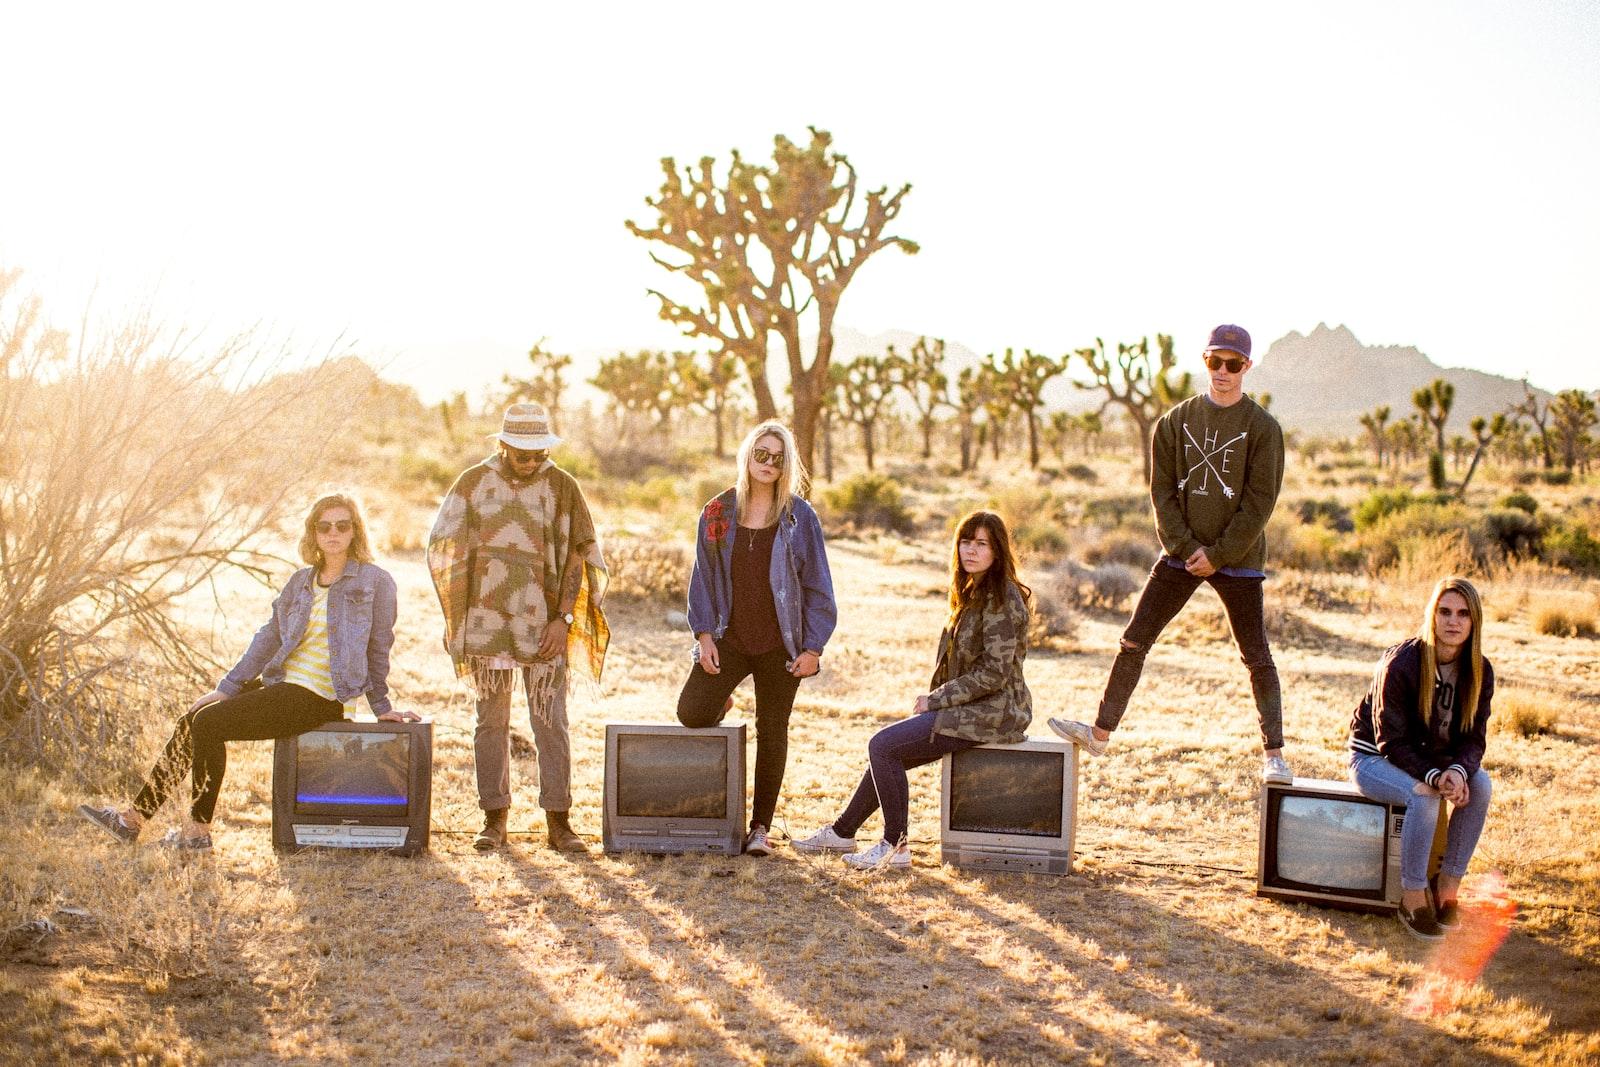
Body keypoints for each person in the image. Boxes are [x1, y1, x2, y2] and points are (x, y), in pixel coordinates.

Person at [79, 493, 414, 852]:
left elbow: (379, 647)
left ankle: (197, 832)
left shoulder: (376, 582)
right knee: (194, 717)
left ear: (355, 531)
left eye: (342, 525)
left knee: (210, 725)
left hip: (321, 697)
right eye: (324, 526)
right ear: (314, 533)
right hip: (284, 684)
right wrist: (228, 687)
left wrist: (381, 708)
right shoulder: (301, 581)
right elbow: (268, 637)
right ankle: (133, 820)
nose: (333, 532)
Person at [1049, 324, 1292, 784]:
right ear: (1204, 361)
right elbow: (1161, 493)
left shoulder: (1263, 428)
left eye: (1233, 363)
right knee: (1134, 639)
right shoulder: (1174, 422)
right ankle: (1100, 732)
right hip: (1181, 553)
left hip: (1237, 559)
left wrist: (1218, 554)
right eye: (1214, 361)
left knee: (1256, 655)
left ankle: (1274, 755)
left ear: (1247, 367)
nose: (1222, 371)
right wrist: (1184, 548)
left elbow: (1260, 503)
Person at [795, 510, 1031, 868]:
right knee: (889, 749)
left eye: (981, 544)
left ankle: (896, 846)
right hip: (971, 706)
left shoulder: (1002, 598)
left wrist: (937, 700)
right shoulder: (972, 593)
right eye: (966, 542)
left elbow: (994, 674)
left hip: (996, 711)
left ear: (997, 550)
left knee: (883, 746)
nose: (971, 550)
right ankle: (844, 832)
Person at [428, 402, 608, 852]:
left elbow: (579, 556)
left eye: (538, 454)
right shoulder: (472, 482)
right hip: (486, 624)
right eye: (522, 454)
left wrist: (563, 619)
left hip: (544, 623)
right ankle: (494, 818)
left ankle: (559, 822)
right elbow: (443, 545)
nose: (532, 462)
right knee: (490, 721)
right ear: (503, 445)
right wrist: (459, 616)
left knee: (551, 721)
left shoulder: (563, 486)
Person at [677, 421, 837, 855]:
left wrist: (813, 647)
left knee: (773, 732)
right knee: (692, 712)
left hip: (780, 645)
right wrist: (704, 634)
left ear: (787, 464)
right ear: (747, 456)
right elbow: (703, 578)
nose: (768, 464)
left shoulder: (799, 517)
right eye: (760, 454)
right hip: (729, 636)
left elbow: (818, 586)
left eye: (777, 457)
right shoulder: (717, 512)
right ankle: (723, 698)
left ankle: (760, 829)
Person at [1349, 576, 1494, 941]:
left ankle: (1447, 886)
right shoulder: (1402, 662)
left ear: (1474, 621)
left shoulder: (1480, 670)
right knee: (1423, 795)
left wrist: (1459, 772)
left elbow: (1474, 737)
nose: (1453, 621)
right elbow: (1389, 741)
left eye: (1463, 614)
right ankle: (1412, 896)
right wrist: (1435, 777)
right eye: (1444, 611)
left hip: (1436, 760)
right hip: (1374, 760)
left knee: (1482, 785)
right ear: (1432, 615)